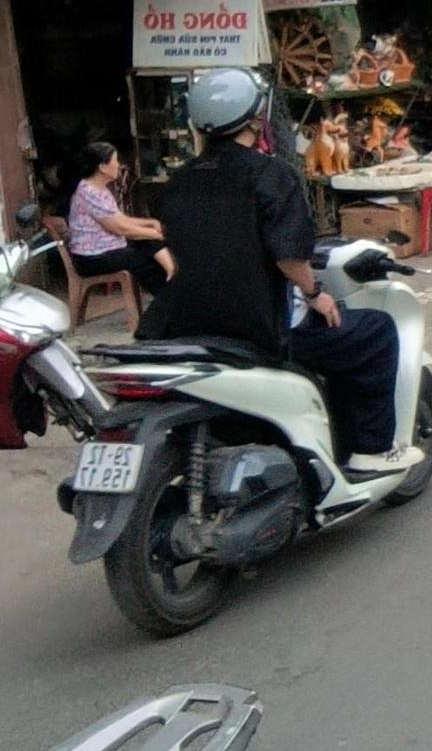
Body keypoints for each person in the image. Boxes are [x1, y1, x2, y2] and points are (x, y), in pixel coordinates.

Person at [143, 68, 415, 473]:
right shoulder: (270, 174)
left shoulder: (178, 183)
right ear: (257, 119)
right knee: (375, 331)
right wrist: (315, 294)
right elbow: (289, 258)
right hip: (260, 327)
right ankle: (372, 450)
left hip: (183, 324)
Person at [65, 141, 174, 294]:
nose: (118, 165)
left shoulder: (100, 189)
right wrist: (155, 234)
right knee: (143, 261)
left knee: (147, 242)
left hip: (107, 250)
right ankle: (168, 297)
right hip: (92, 258)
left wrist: (150, 224)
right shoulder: (89, 192)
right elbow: (120, 228)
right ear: (102, 167)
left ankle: (171, 273)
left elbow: (120, 219)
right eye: (115, 161)